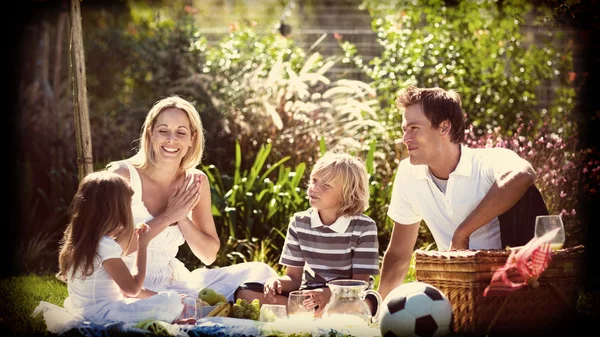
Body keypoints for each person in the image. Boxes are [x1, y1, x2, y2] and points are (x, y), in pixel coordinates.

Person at [106, 95, 278, 302]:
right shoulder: (122, 175)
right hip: (125, 283)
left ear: (192, 139)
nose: (172, 140)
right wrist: (169, 216)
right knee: (183, 306)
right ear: (150, 134)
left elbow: (208, 255)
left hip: (173, 280)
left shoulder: (195, 181)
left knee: (259, 271)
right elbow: (106, 248)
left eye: (181, 132)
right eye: (163, 131)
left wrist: (182, 219)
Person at [378, 85, 537, 300]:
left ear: (444, 128)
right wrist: (376, 309)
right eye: (404, 129)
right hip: (455, 291)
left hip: (510, 289)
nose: (405, 138)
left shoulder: (486, 162)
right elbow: (398, 254)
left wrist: (462, 233)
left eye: (414, 128)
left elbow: (524, 175)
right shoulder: (408, 173)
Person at [235, 152, 380, 317]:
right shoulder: (299, 223)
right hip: (310, 294)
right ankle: (316, 314)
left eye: (325, 185)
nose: (314, 188)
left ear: (347, 194)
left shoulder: (364, 227)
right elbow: (293, 279)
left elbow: (359, 283)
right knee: (245, 293)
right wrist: (276, 282)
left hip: (349, 296)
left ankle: (314, 314)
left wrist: (330, 294)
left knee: (365, 302)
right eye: (314, 181)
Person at [56, 171, 185, 324]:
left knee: (168, 297)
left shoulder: (83, 243)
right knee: (171, 301)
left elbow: (124, 291)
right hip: (103, 316)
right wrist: (142, 244)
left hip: (89, 311)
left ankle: (170, 318)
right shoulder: (105, 246)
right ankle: (168, 317)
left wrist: (158, 295)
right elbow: (133, 290)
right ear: (117, 210)